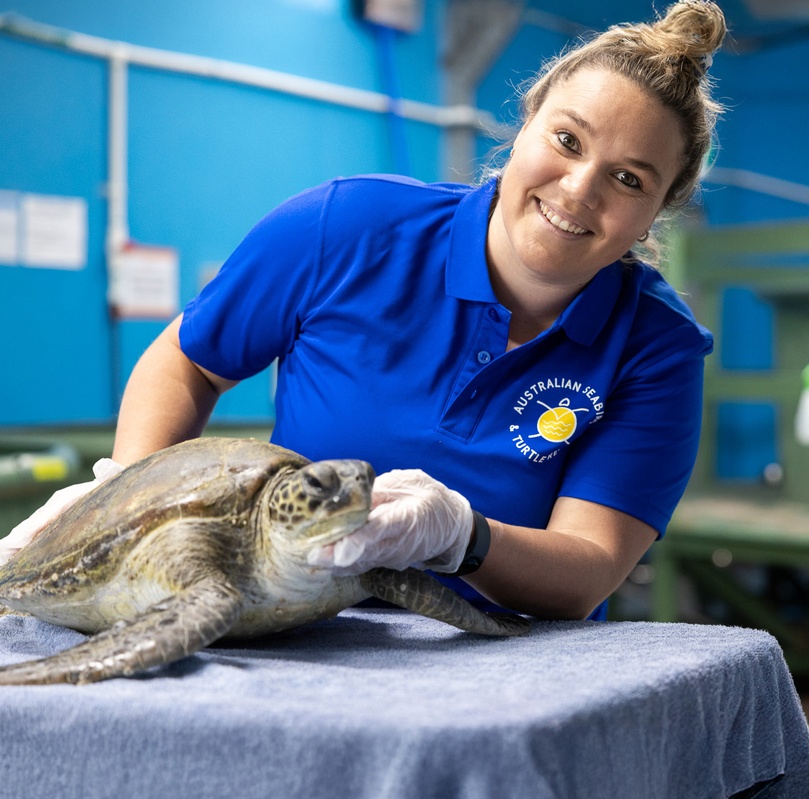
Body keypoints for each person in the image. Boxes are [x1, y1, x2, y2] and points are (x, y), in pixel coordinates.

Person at [1, 0, 727, 621]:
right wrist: (133, 502)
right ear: (525, 124)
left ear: (659, 212)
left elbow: (590, 566)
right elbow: (188, 362)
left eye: (628, 178)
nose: (578, 189)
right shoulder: (347, 226)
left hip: (502, 669)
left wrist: (462, 538)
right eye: (567, 140)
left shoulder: (655, 346)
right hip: (291, 625)